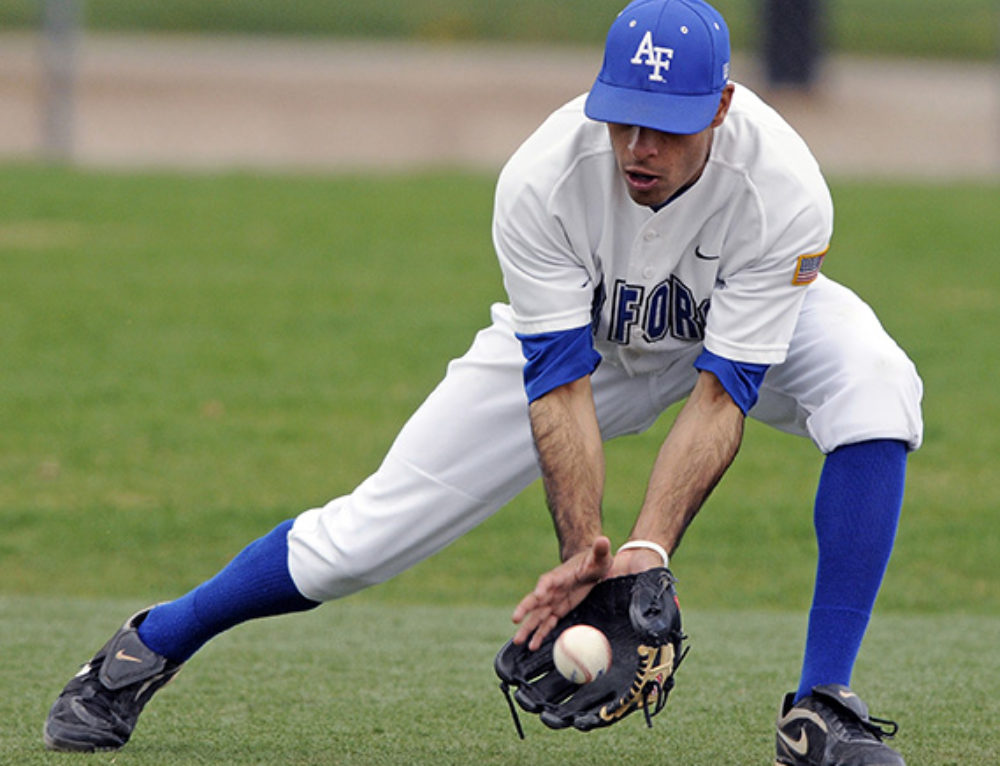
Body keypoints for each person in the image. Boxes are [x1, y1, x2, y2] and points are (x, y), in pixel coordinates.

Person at [43, 1, 922, 764]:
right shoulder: (544, 178)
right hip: (587, 349)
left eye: (667, 124)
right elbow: (561, 387)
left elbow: (721, 393)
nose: (638, 146)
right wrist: (586, 553)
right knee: (364, 539)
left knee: (876, 385)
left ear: (723, 107)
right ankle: (146, 647)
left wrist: (647, 559)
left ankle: (820, 709)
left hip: (739, 327)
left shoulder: (784, 188)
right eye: (623, 118)